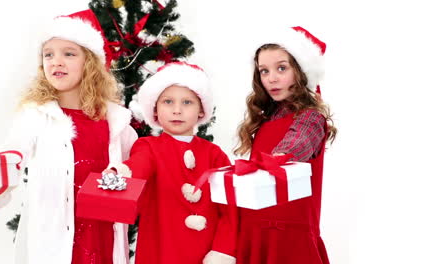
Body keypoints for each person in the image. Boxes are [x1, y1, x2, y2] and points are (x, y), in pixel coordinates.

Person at [0, 9, 138, 264]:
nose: (56, 61)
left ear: (90, 63)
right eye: (48, 55)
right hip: (53, 239)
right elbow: (10, 160)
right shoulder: (35, 117)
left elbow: (137, 170)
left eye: (69, 54)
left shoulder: (117, 124)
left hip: (103, 238)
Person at [105, 62, 237, 264]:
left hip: (206, 253)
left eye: (187, 102)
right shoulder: (148, 147)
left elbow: (230, 210)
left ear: (201, 110)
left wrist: (223, 250)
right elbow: (138, 166)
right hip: (162, 251)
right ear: (155, 109)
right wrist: (123, 173)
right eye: (168, 102)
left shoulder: (214, 155)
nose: (177, 110)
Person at [234, 26, 337, 264]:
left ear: (300, 71)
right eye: (264, 71)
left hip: (287, 235)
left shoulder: (310, 118)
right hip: (253, 229)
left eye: (282, 68)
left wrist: (281, 156)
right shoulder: (265, 120)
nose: (272, 78)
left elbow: (298, 142)